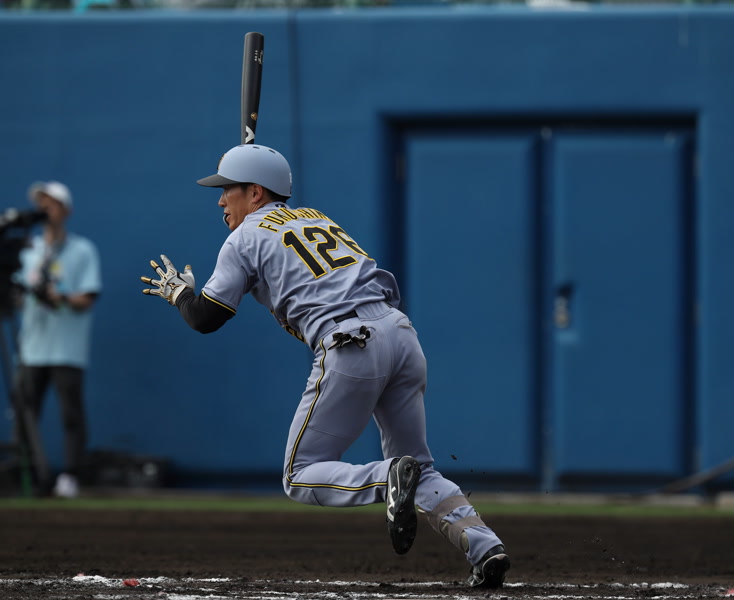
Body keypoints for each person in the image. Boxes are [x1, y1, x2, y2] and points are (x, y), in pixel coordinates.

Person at [140, 144, 511, 588]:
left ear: (255, 192)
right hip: (400, 333)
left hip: (351, 342)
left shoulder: (242, 238)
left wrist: (180, 293)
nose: (220, 200)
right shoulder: (315, 217)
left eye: (228, 189)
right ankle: (485, 547)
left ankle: (387, 477)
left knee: (300, 474)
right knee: (419, 466)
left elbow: (206, 318)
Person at [15, 180, 102, 498]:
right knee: (25, 414)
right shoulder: (28, 250)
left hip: (67, 349)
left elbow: (88, 297)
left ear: (66, 210)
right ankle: (27, 476)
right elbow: (17, 297)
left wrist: (59, 297)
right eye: (41, 203)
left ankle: (71, 476)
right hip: (31, 348)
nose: (44, 209)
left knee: (70, 414)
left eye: (51, 203)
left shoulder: (83, 250)